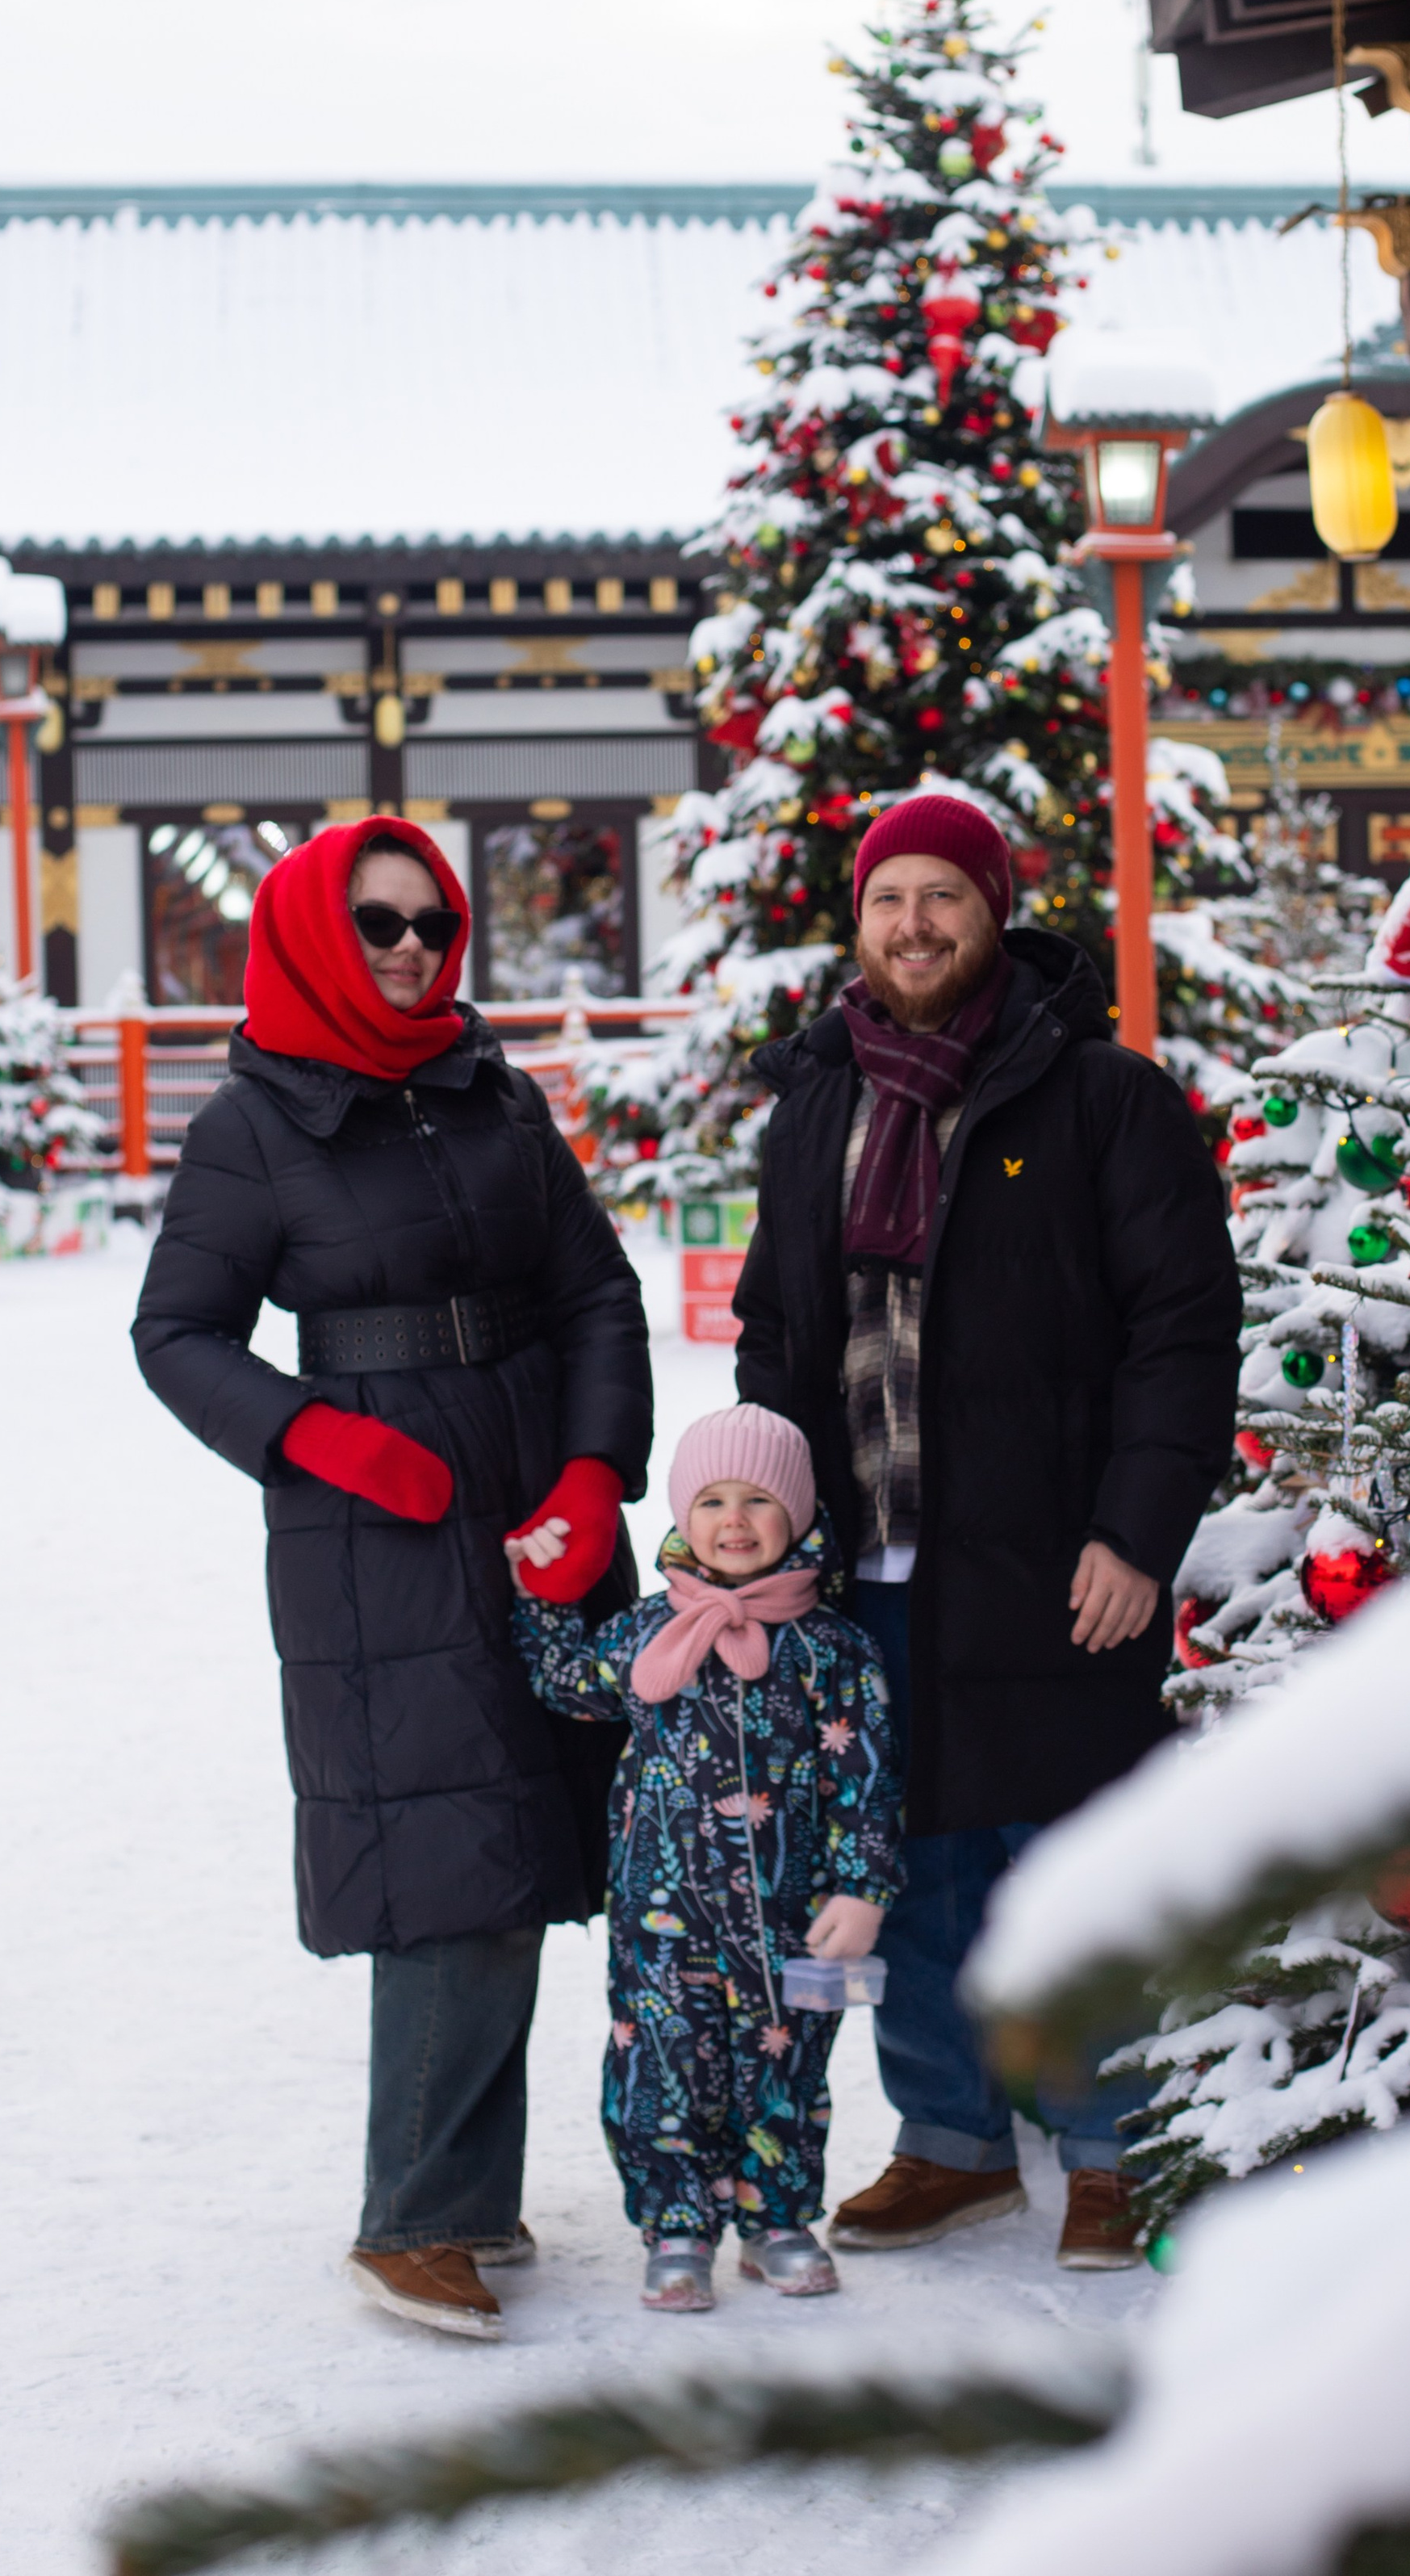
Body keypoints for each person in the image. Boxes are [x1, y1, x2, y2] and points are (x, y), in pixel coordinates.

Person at [132, 817, 652, 2343]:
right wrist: (316, 1441)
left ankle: (472, 2198)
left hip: (532, 1489)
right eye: (379, 923)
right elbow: (178, 1335)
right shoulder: (256, 1122)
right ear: (309, 931)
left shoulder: (493, 1091)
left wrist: (589, 1470)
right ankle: (412, 2213)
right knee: (449, 1853)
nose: (415, 946)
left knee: (544, 1832)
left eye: (435, 921)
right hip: (377, 1532)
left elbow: (594, 1290)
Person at [734, 794, 1241, 2269]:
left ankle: (1108, 2142)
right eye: (888, 899)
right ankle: (951, 2138)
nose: (913, 925)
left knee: (1067, 1850)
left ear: (993, 910)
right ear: (860, 922)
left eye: (941, 897)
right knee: (906, 1855)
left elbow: (1182, 1331)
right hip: (867, 1559)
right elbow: (779, 1330)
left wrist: (1136, 1530)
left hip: (1055, 1562)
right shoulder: (819, 1099)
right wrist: (769, 1527)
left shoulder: (1100, 1098)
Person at [508, 1405, 902, 2311]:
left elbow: (868, 1778)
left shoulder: (835, 1650)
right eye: (713, 1499)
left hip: (799, 1919)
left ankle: (777, 2218)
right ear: (684, 1516)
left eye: (759, 1500)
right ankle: (676, 2221)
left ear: (797, 1517)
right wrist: (536, 1598)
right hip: (664, 1918)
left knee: (790, 2069)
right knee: (663, 2065)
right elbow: (571, 1685)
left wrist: (865, 1887)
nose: (734, 1519)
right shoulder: (649, 1632)